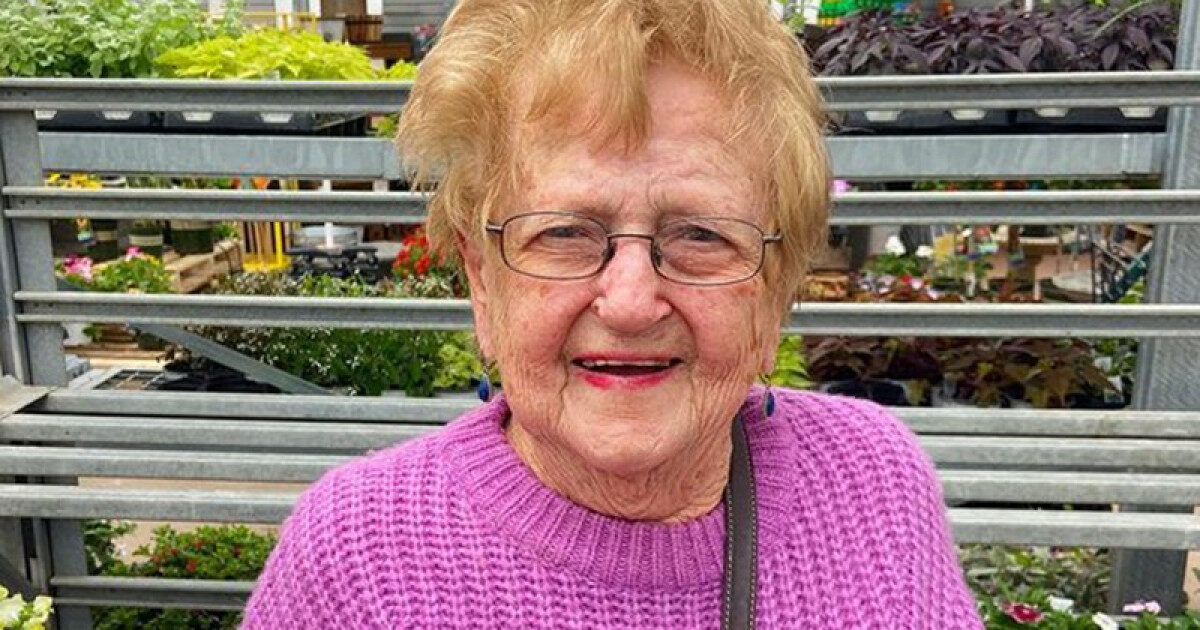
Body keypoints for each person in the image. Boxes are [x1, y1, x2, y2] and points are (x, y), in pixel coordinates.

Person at [243, 0, 982, 627]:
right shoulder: (358, 562)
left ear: (774, 290)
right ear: (482, 281)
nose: (629, 303)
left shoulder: (872, 485)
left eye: (701, 236)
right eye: (564, 233)